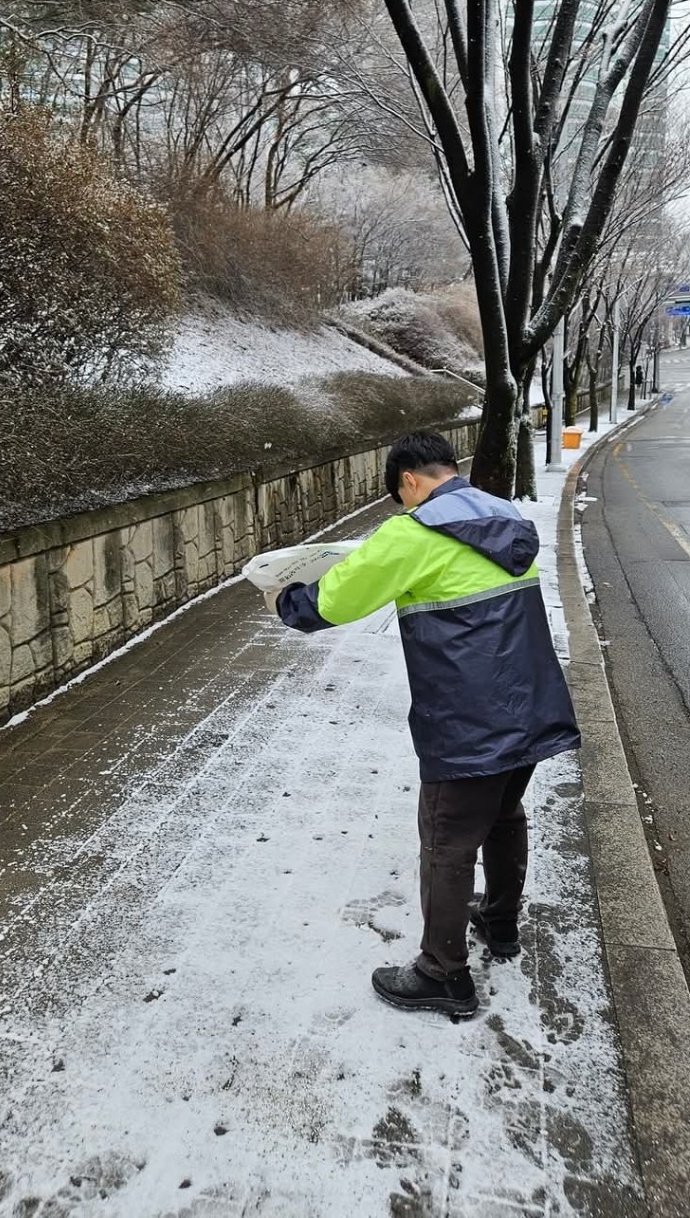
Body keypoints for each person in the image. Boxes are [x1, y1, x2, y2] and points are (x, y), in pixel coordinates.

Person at [268, 431, 580, 1019]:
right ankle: (500, 923)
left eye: (401, 497)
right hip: (530, 702)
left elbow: (334, 601)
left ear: (409, 480)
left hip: (469, 718)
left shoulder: (413, 531)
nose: (403, 508)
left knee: (447, 839)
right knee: (505, 813)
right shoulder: (502, 513)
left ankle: (443, 974)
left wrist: (287, 601)